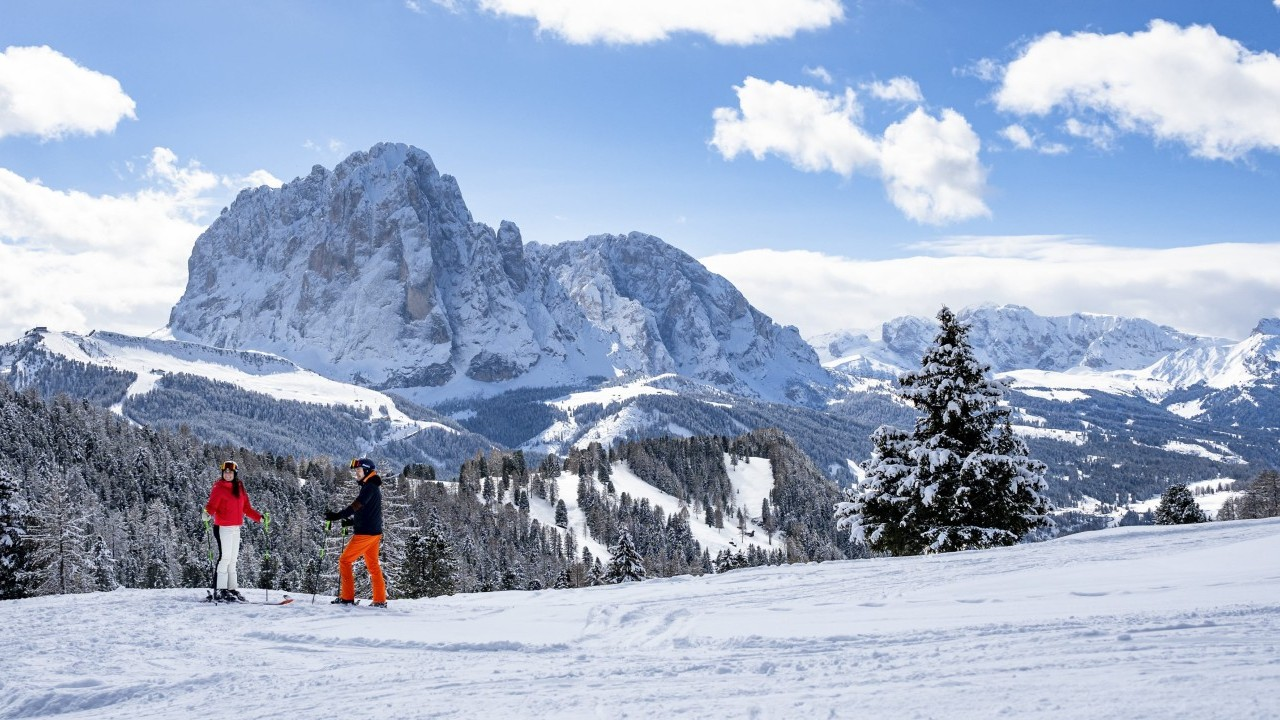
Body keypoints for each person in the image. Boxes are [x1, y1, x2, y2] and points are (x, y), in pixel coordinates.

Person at [325, 458, 387, 607]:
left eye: (358, 471)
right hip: (373, 533)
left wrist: (337, 515)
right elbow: (369, 512)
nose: (356, 474)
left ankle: (347, 598)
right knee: (373, 566)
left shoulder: (369, 487)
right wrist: (352, 522)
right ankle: (379, 600)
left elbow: (357, 505)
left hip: (365, 534)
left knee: (345, 561)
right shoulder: (371, 486)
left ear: (366, 471)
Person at [204, 460, 264, 602]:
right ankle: (220, 589)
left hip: (236, 527)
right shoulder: (219, 487)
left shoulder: (239, 487)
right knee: (224, 558)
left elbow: (246, 508)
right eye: (226, 472)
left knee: (233, 559)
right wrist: (207, 513)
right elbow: (212, 505)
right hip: (222, 527)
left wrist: (259, 518)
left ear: (235, 474)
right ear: (222, 473)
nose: (228, 474)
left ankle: (231, 589)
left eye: (230, 472)